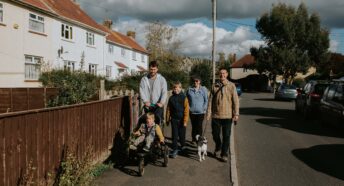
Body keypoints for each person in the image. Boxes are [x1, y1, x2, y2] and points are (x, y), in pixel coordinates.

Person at [206, 68, 239, 162]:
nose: (222, 75)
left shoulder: (231, 86)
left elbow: (236, 101)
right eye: (220, 73)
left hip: (228, 116)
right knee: (215, 134)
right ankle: (218, 145)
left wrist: (236, 114)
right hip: (216, 115)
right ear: (218, 75)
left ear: (227, 74)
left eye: (224, 73)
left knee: (226, 136)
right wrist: (208, 113)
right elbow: (210, 101)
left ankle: (224, 154)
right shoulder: (214, 86)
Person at [166, 81, 189, 158]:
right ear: (173, 89)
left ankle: (183, 146)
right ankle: (175, 149)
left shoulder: (184, 98)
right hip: (174, 120)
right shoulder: (171, 98)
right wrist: (167, 119)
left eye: (178, 88)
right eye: (175, 88)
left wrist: (185, 121)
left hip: (182, 119)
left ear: (181, 88)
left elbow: (186, 110)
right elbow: (168, 109)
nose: (176, 90)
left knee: (182, 135)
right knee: (174, 135)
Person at [186, 76, 208, 143]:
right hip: (192, 112)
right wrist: (188, 107)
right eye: (194, 81)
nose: (195, 82)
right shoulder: (189, 89)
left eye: (197, 81)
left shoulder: (203, 89)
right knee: (194, 126)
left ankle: (199, 140)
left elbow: (206, 100)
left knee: (199, 126)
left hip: (200, 112)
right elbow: (186, 99)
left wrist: (204, 108)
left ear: (199, 81)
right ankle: (193, 139)